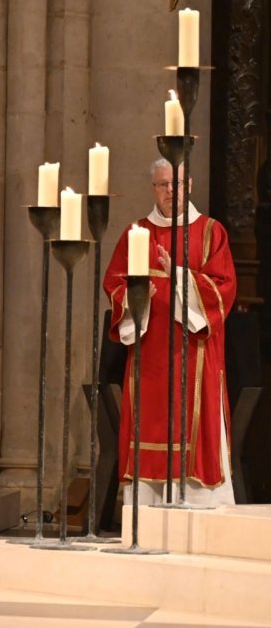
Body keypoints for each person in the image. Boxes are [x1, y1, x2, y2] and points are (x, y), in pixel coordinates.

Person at [103, 158, 237, 504]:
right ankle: (145, 510)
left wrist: (178, 276)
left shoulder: (210, 232)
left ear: (189, 186)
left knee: (191, 425)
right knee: (148, 423)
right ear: (153, 189)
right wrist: (135, 298)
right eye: (162, 184)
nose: (170, 191)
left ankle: (196, 508)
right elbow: (114, 284)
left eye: (176, 184)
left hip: (194, 354)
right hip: (148, 355)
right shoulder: (136, 233)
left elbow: (223, 289)